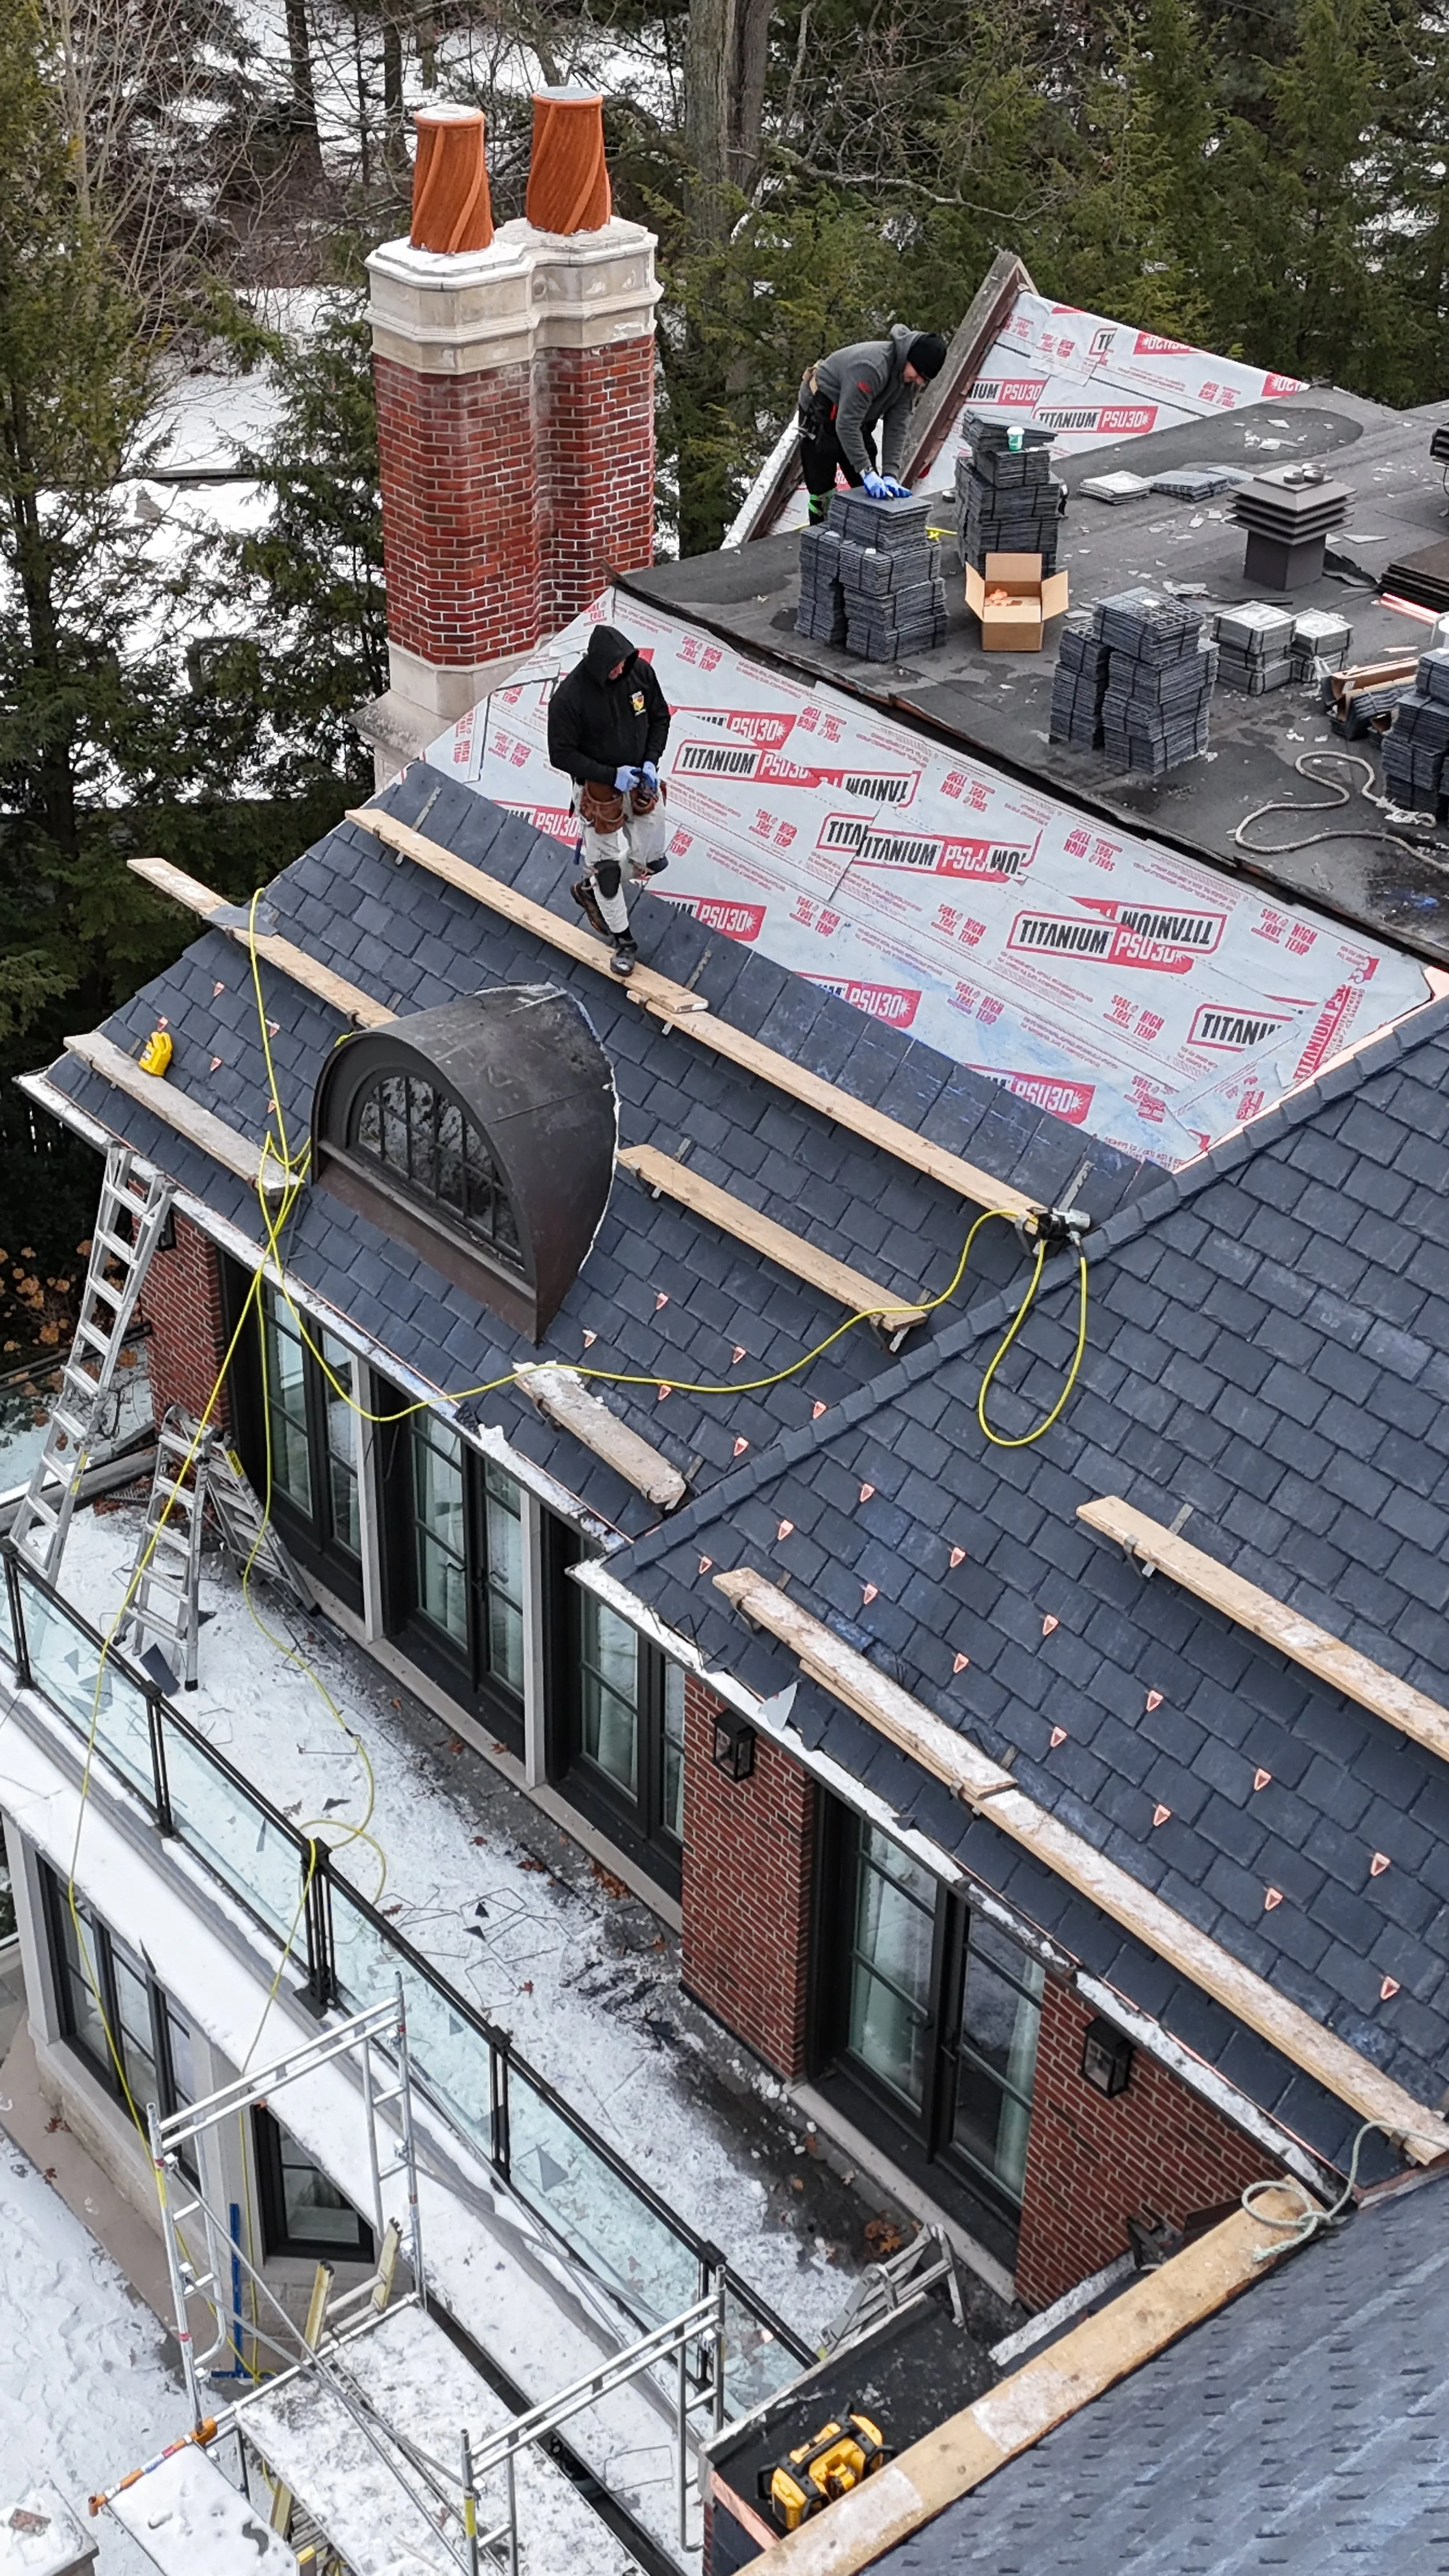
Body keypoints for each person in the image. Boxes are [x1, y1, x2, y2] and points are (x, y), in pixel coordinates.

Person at [547, 624, 672, 977]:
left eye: (624, 663)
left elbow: (660, 718)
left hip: (639, 784)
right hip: (599, 794)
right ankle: (624, 941)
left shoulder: (640, 674)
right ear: (599, 664)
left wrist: (650, 760)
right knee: (608, 872)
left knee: (651, 860)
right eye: (614, 666)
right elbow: (561, 755)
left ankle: (590, 889)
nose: (620, 671)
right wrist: (610, 774)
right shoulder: (569, 699)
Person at [797, 326, 948, 525]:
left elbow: (897, 426)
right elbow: (846, 425)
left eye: (924, 379)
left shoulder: (907, 380)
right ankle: (821, 537)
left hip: (858, 415)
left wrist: (890, 474)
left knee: (869, 488)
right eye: (918, 374)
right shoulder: (871, 367)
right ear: (909, 358)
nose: (919, 381)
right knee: (822, 488)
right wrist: (866, 471)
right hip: (823, 407)